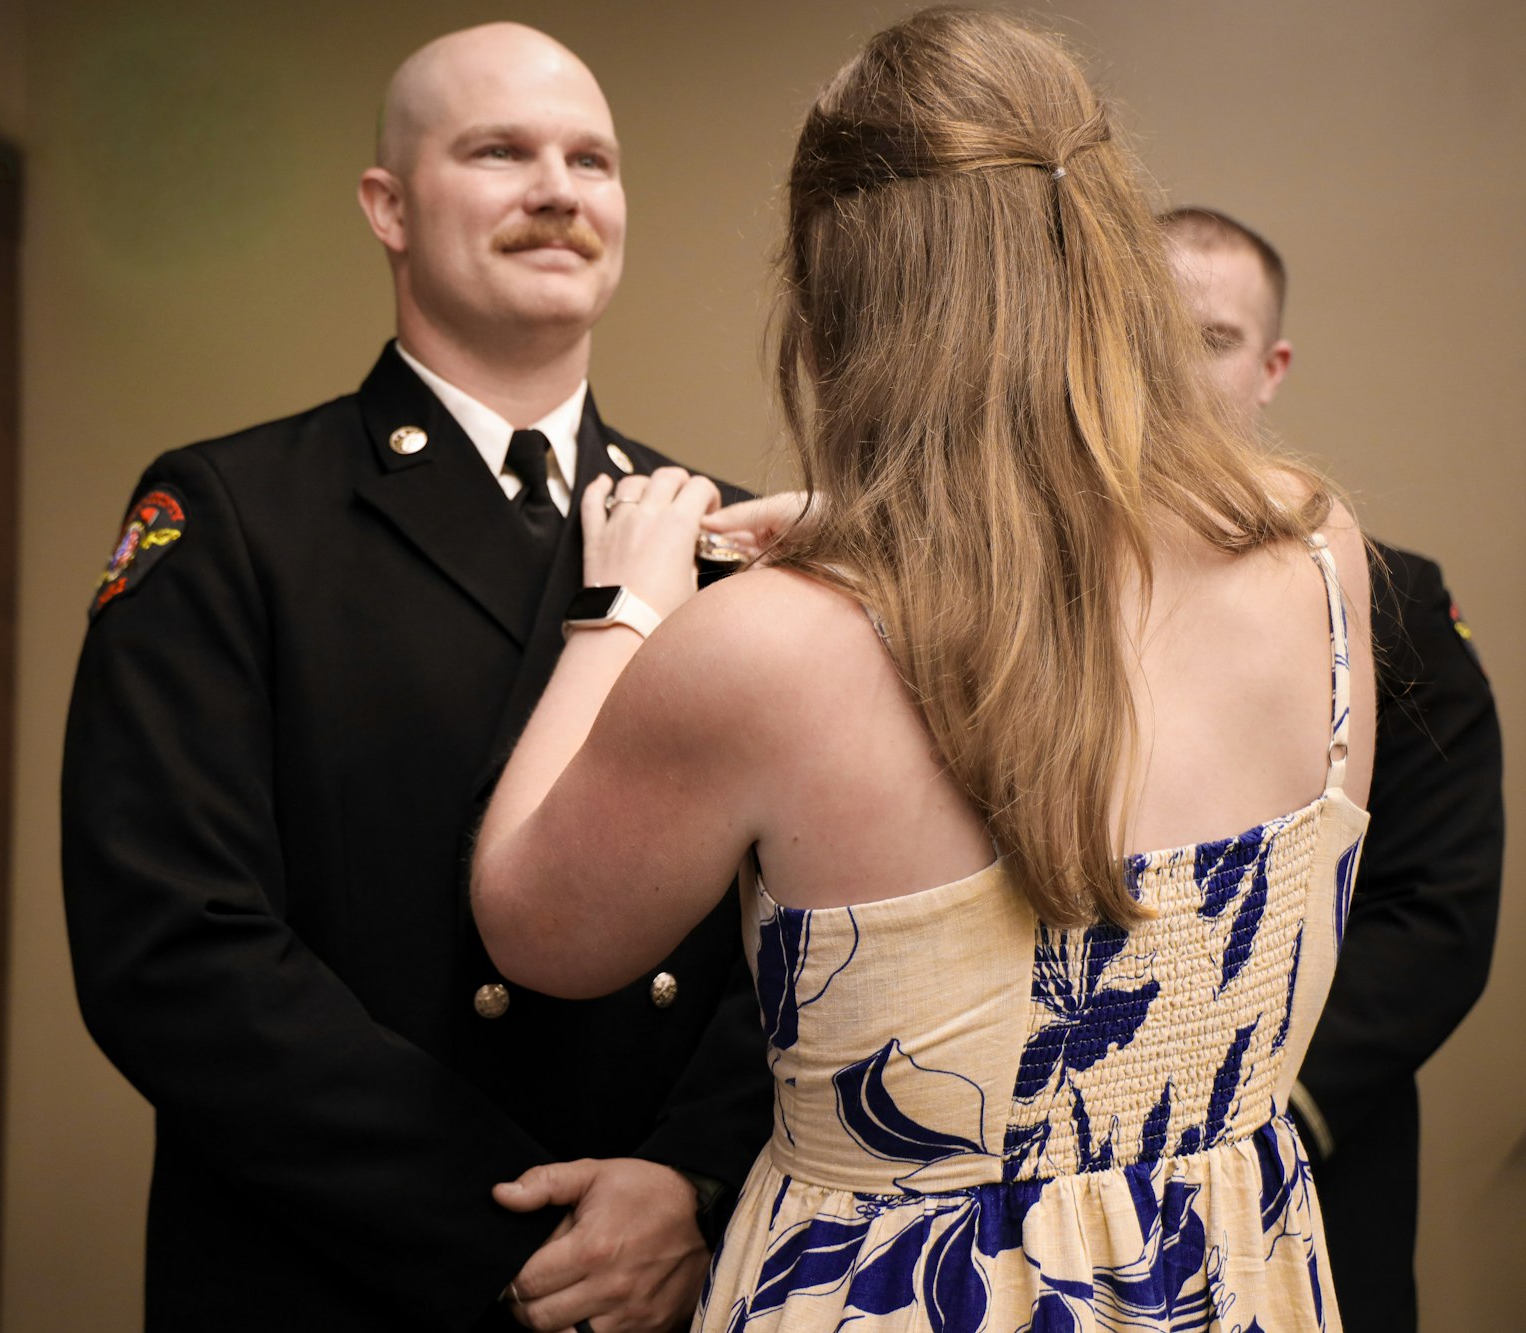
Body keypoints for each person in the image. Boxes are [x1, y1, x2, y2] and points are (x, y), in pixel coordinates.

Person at [473, 10, 1376, 1331]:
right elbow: (1075, 604)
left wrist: (624, 612)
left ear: (834, 297)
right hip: (1225, 1277)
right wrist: (870, 527)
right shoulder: (1312, 546)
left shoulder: (765, 651)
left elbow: (535, 928)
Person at [60, 21, 767, 1333]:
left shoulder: (719, 532)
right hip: (347, 1270)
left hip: (659, 1274)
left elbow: (798, 923)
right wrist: (527, 1230)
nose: (558, 190)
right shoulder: (230, 514)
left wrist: (689, 1181)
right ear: (388, 206)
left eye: (591, 160)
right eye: (500, 151)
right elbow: (173, 952)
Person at [1164, 205, 1503, 1332]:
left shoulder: (1391, 604)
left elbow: (1435, 910)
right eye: (1140, 330)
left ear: (1270, 368)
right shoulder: (1025, 595)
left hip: (1308, 1154)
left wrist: (1263, 1118)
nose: (1171, 365)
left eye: (1210, 339)